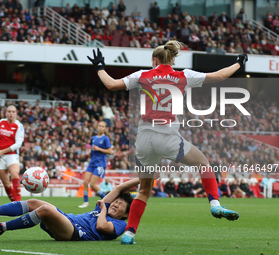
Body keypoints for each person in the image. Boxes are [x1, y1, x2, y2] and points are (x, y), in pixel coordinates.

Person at [87, 42, 248, 244]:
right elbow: (221, 75)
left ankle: (129, 233)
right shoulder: (184, 76)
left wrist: (100, 67)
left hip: (144, 139)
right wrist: (238, 63)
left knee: (144, 191)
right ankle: (214, 204)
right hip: (168, 136)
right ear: (172, 59)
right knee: (204, 165)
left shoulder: (143, 75)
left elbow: (111, 84)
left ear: (155, 60)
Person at [0, 178, 139, 240]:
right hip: (69, 220)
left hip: (76, 233)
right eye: (115, 202)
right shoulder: (105, 208)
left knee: (45, 210)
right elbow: (119, 187)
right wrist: (144, 177)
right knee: (35, 202)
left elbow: (101, 226)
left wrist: (103, 210)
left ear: (126, 214)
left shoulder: (120, 224)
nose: (115, 204)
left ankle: (2, 227)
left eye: (120, 205)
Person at [0, 105, 24, 202]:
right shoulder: (1, 122)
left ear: (16, 113)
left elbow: (18, 144)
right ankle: (14, 203)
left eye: (13, 112)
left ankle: (18, 202)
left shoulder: (19, 126)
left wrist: (2, 151)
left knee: (15, 175)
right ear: (6, 113)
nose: (11, 113)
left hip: (12, 155)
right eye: (9, 111)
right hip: (0, 157)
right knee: (6, 184)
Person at [79, 121, 112, 208]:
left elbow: (110, 151)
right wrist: (89, 152)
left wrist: (99, 149)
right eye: (99, 126)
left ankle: (106, 199)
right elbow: (92, 149)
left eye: (102, 126)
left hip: (100, 163)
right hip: (92, 163)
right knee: (85, 182)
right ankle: (86, 202)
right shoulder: (93, 138)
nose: (100, 128)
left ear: (105, 129)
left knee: (92, 184)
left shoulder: (105, 139)